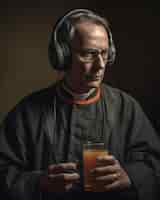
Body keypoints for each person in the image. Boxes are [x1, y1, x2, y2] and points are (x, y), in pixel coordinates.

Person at [0, 8, 160, 200]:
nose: (101, 64)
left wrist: (132, 176)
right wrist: (39, 182)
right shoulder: (27, 112)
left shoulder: (127, 107)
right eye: (89, 53)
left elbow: (154, 161)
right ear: (63, 56)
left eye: (105, 53)